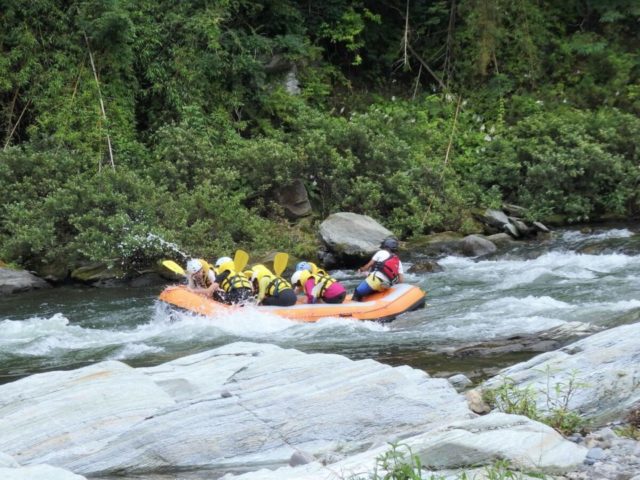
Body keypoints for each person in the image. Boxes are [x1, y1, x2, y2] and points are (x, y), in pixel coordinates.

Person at [352, 237, 404, 302]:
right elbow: (401, 280)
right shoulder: (398, 261)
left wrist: (361, 269)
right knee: (373, 288)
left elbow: (368, 266)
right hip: (386, 286)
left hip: (375, 281)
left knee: (357, 292)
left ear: (385, 246)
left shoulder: (381, 252)